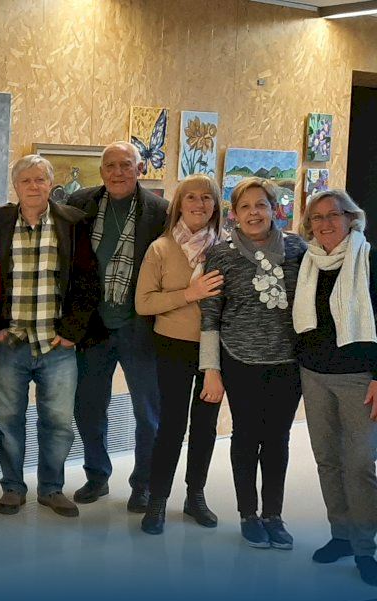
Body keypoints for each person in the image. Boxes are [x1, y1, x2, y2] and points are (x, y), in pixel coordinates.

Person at [0, 155, 100, 518]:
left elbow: (87, 282)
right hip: (11, 342)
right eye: (26, 180)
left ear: (51, 184)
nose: (33, 186)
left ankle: (51, 488)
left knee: (59, 423)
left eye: (40, 179)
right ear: (15, 186)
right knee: (7, 420)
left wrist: (71, 333)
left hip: (56, 344)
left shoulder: (73, 223)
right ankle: (12, 488)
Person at [200, 177, 307, 550]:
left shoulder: (298, 249)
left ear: (274, 209)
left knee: (278, 439)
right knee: (246, 437)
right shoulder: (221, 254)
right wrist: (211, 370)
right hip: (239, 359)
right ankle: (248, 514)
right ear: (234, 214)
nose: (253, 213)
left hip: (288, 361)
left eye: (261, 204)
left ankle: (273, 515)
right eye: (244, 207)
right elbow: (210, 315)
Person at [67, 141, 168, 512]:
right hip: (93, 327)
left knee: (148, 414)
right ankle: (97, 476)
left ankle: (143, 484)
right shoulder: (80, 204)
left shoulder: (160, 211)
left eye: (126, 164)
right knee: (88, 408)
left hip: (139, 327)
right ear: (101, 171)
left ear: (140, 169)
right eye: (110, 165)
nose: (118, 172)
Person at [292, 189, 377, 586]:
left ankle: (365, 547)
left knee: (359, 465)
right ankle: (341, 535)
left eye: (333, 214)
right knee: (327, 459)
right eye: (317, 217)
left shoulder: (368, 259)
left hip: (360, 377)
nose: (325, 223)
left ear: (350, 218)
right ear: (309, 224)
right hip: (313, 373)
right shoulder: (307, 261)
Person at [134, 174, 225, 534]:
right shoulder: (161, 248)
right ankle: (157, 499)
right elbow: (143, 303)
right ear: (178, 205)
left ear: (216, 205)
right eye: (191, 197)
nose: (199, 204)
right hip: (172, 345)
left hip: (215, 351)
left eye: (207, 198)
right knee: (171, 425)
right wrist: (190, 293)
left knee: (205, 426)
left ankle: (195, 496)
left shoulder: (227, 248)